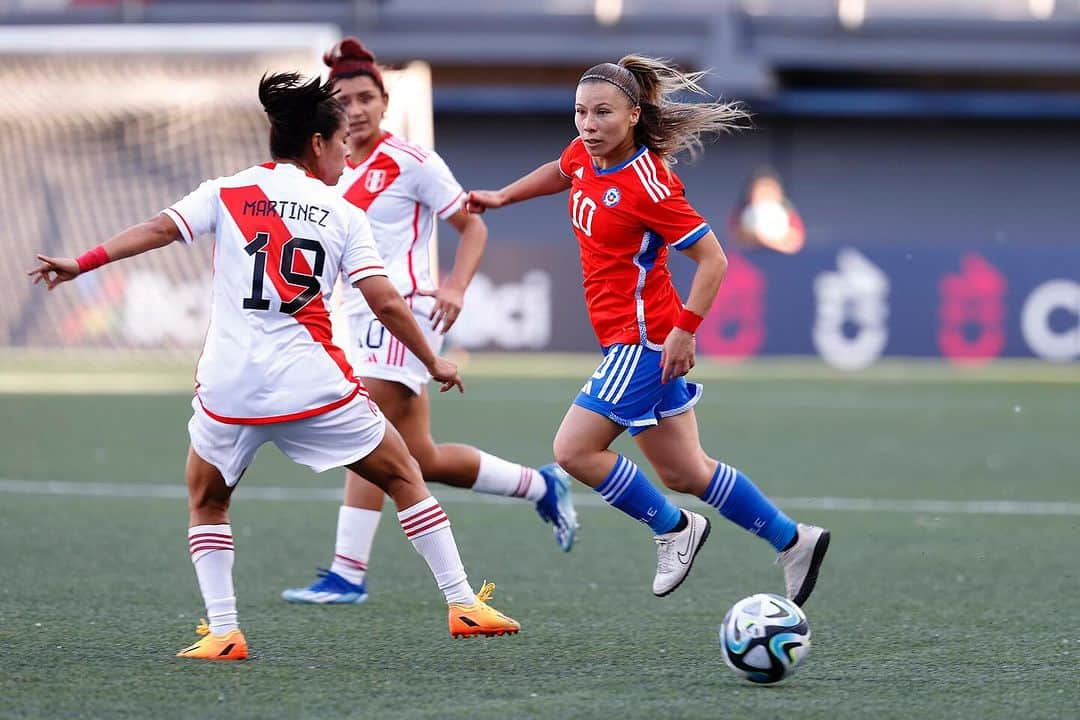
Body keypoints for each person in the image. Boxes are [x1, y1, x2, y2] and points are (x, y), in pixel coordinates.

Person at [27, 71, 520, 660]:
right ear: (317, 144)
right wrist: (433, 360)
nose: (345, 154)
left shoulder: (227, 192)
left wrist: (81, 263)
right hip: (314, 386)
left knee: (208, 501)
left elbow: (159, 229)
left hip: (229, 389)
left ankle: (223, 631)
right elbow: (385, 301)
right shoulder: (340, 213)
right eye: (340, 143)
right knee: (403, 475)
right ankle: (463, 603)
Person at [465, 56, 830, 605]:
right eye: (580, 112)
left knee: (573, 451)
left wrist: (685, 330)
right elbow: (559, 170)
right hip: (633, 340)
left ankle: (673, 528)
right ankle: (792, 540)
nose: (588, 124)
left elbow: (714, 260)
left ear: (633, 115)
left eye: (603, 113)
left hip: (644, 342)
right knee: (685, 470)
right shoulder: (586, 156)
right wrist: (502, 197)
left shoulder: (649, 184)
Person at [281, 38, 578, 606]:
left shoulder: (413, 162)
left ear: (385, 102)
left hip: (407, 310)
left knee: (360, 424)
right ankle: (542, 484)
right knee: (421, 455)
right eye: (343, 100)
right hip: (356, 314)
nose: (357, 108)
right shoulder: (330, 171)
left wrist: (457, 287)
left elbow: (474, 226)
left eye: (367, 97)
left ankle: (347, 574)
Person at [728, 168, 805, 254]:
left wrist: (770, 241)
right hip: (749, 263)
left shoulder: (788, 212)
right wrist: (753, 237)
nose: (765, 194)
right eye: (760, 190)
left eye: (770, 189)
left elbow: (796, 242)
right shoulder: (740, 213)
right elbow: (734, 242)